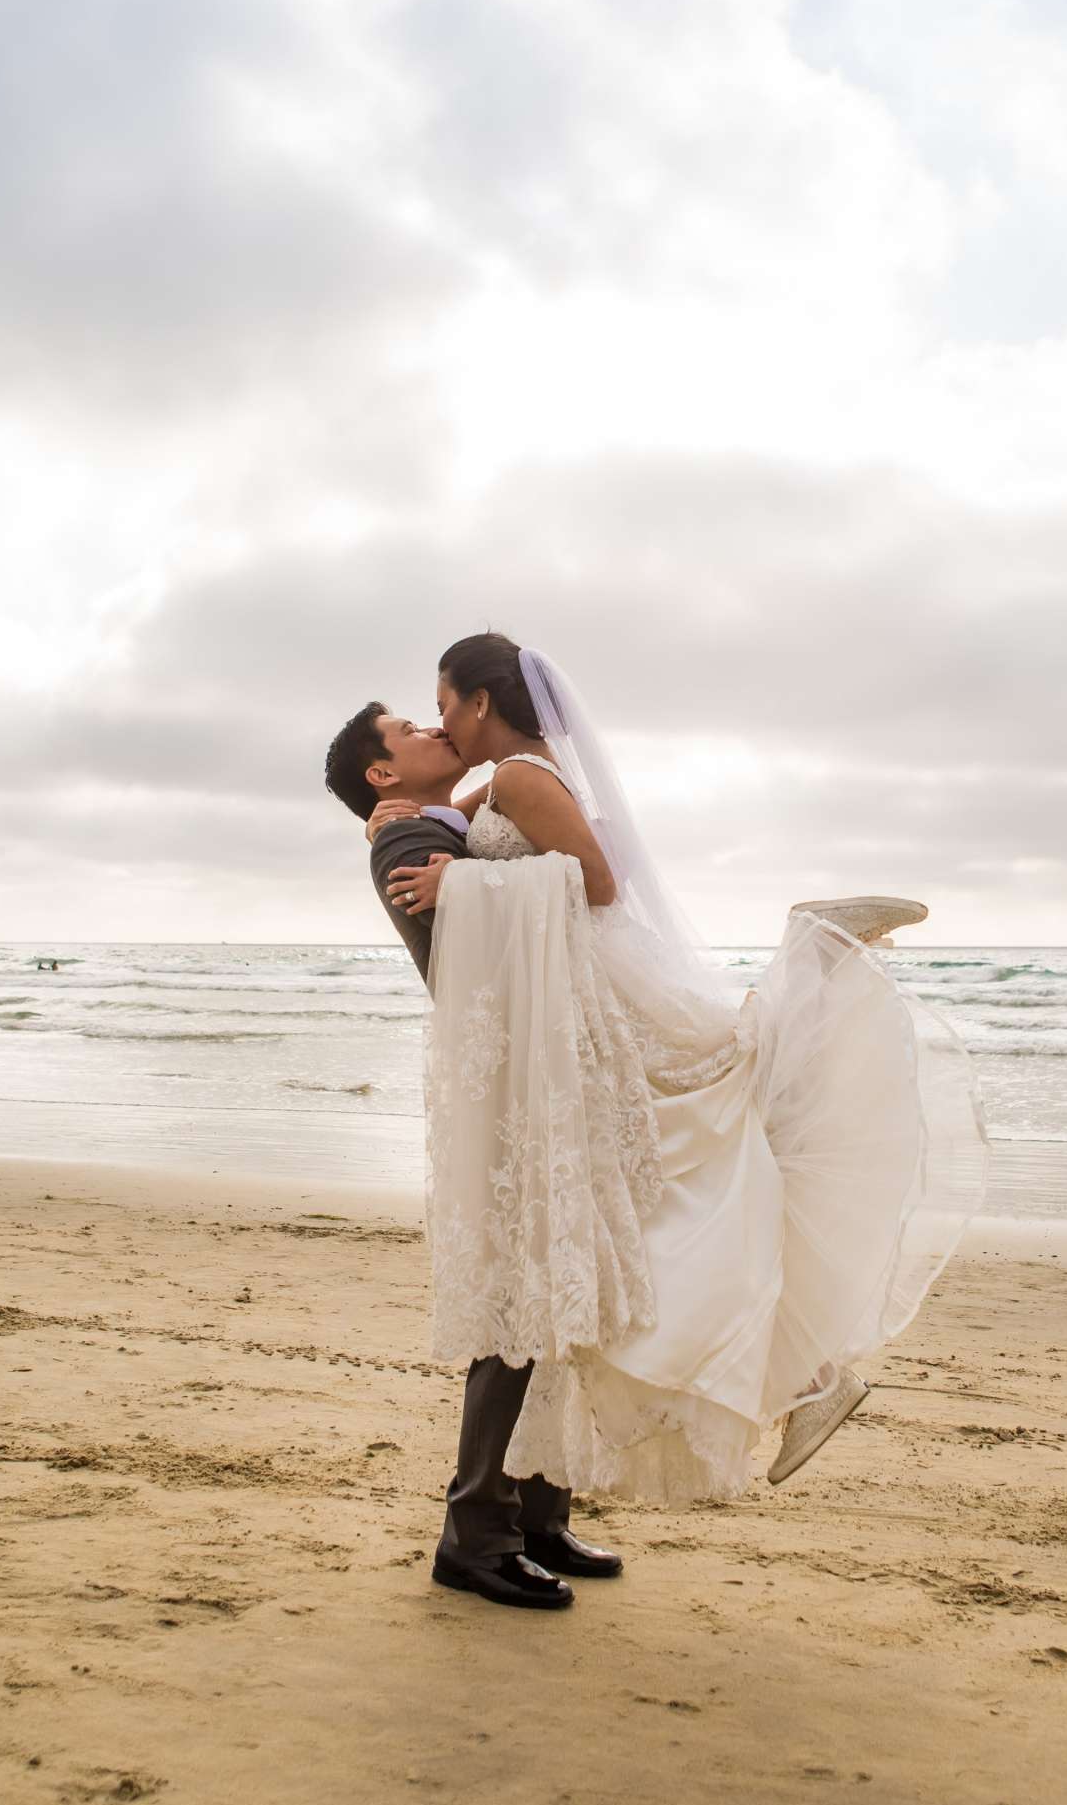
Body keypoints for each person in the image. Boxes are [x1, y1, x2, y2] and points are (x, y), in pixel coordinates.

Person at [372, 632, 988, 1509]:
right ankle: (810, 1374)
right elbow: (458, 821)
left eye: (442, 708)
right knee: (697, 1179)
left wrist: (460, 888)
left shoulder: (519, 778)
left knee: (722, 1114)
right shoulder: (523, 775)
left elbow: (594, 883)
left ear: (479, 703)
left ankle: (816, 945)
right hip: (594, 990)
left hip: (605, 994)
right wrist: (401, 822)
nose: (440, 725)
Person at [324, 702, 623, 1614]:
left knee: (554, 1292)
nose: (431, 728)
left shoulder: (443, 827)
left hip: (539, 1074)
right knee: (512, 1306)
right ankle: (474, 1533)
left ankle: (539, 1512)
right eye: (409, 728)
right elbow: (467, 953)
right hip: (502, 1087)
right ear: (382, 774)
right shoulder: (402, 841)